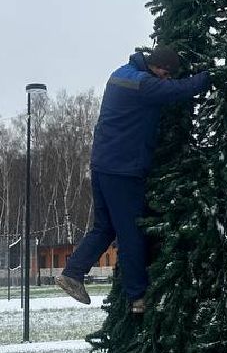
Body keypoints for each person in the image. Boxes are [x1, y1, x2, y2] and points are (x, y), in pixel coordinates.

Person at [56, 46, 209, 314]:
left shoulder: (122, 74)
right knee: (131, 233)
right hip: (123, 170)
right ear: (157, 66)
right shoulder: (143, 85)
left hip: (102, 164)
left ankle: (73, 273)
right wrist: (209, 76)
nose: (166, 78)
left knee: (105, 227)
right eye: (166, 72)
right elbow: (177, 91)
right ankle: (137, 297)